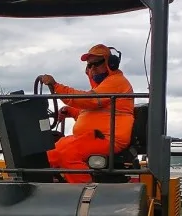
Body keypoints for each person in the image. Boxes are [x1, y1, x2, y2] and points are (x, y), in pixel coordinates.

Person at [39, 44, 135, 183]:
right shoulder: (101, 89)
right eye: (89, 66)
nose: (92, 69)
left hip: (108, 139)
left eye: (96, 64)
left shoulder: (117, 82)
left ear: (111, 64)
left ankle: (86, 195)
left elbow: (90, 101)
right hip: (90, 137)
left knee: (69, 154)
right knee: (50, 153)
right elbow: (93, 112)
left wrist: (56, 87)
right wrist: (71, 111)